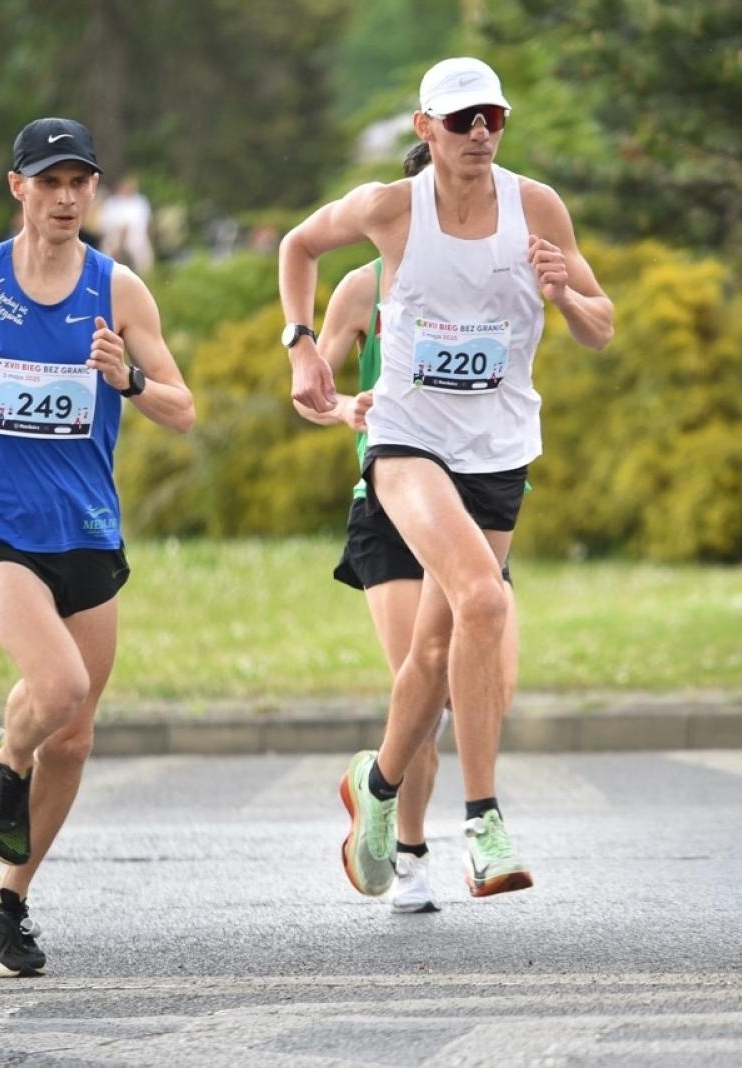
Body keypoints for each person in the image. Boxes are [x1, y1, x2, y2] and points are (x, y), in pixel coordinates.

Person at [279, 57, 613, 900]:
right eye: (462, 119)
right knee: (486, 602)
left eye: (492, 118)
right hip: (406, 443)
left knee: (436, 649)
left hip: (499, 453)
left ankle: (377, 788)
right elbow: (297, 245)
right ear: (425, 128)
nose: (480, 133)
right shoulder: (391, 209)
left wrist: (563, 297)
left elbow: (602, 326)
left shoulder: (537, 208)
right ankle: (484, 822)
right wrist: (301, 345)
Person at [0, 117, 195, 979]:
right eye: (48, 181)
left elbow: (182, 408)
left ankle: (7, 899)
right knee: (58, 689)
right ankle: (4, 755)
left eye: (78, 182)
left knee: (78, 736)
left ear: (93, 190)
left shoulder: (118, 290)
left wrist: (127, 376)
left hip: (88, 529)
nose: (64, 197)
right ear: (18, 187)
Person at [294, 141, 522, 913]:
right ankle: (412, 847)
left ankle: (379, 795)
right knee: (416, 686)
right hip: (391, 499)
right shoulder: (363, 287)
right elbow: (317, 386)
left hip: (471, 492)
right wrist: (339, 407)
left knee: (486, 686)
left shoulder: (489, 276)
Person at [97, 176, 155, 276]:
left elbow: (148, 224)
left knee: (143, 273)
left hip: (139, 244)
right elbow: (111, 228)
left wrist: (150, 243)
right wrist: (118, 246)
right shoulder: (112, 204)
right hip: (114, 245)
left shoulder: (140, 202)